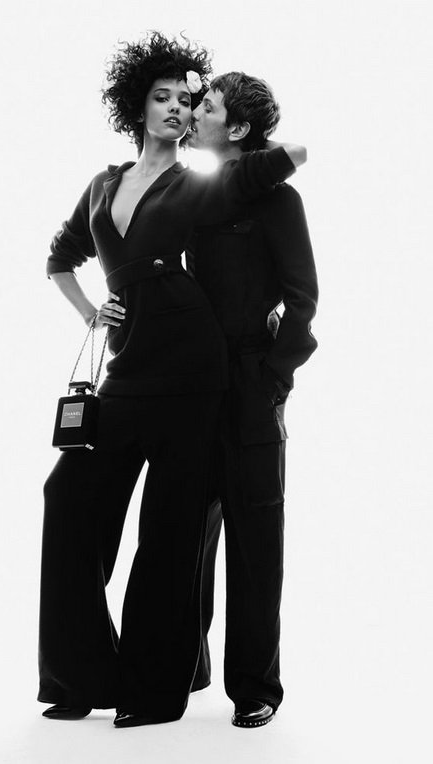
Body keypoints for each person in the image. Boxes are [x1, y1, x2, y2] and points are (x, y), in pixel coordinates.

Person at [38, 33, 306, 728]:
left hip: (195, 367)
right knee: (69, 498)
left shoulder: (196, 185)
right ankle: (80, 675)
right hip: (128, 366)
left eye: (187, 102)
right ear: (137, 106)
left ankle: (156, 693)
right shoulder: (102, 184)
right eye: (161, 98)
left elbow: (274, 166)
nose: (176, 109)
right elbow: (60, 258)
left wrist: (273, 370)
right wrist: (92, 312)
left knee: (170, 528)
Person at [186, 72, 318, 727]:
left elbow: (303, 299)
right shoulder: (193, 192)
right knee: (185, 529)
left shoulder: (279, 200)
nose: (193, 113)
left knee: (256, 536)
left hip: (251, 384)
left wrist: (273, 378)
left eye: (206, 107)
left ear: (237, 128)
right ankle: (186, 666)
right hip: (190, 386)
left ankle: (256, 688)